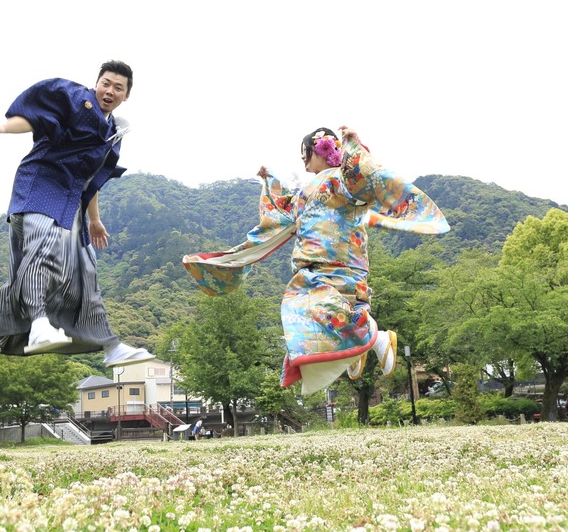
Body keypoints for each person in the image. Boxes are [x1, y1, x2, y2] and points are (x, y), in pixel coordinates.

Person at [183, 126, 449, 394]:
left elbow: (362, 173)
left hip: (342, 261)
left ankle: (375, 338)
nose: (303, 157)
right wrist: (270, 180)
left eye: (306, 151)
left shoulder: (342, 180)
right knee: (302, 315)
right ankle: (357, 349)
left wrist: (351, 144)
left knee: (319, 309)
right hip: (311, 266)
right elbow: (279, 212)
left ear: (322, 149)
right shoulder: (303, 193)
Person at [0, 60, 153, 367]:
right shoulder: (74, 100)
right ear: (96, 83)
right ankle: (38, 325)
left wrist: (94, 219)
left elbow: (91, 177)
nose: (109, 90)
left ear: (126, 95)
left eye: (118, 87)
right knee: (43, 247)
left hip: (70, 200)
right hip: (41, 185)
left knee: (86, 269)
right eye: (106, 83)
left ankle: (109, 346)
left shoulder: (113, 133)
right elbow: (36, 120)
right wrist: (4, 128)